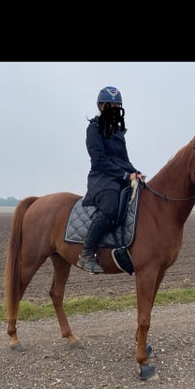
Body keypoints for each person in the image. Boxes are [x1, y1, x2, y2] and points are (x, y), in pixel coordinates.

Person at [78, 86, 145, 273]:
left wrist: (136, 173)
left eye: (117, 106)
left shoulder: (117, 131)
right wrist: (125, 175)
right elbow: (99, 160)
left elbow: (124, 160)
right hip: (102, 178)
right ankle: (86, 253)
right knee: (110, 207)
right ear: (101, 106)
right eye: (110, 106)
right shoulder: (93, 129)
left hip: (118, 177)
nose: (114, 109)